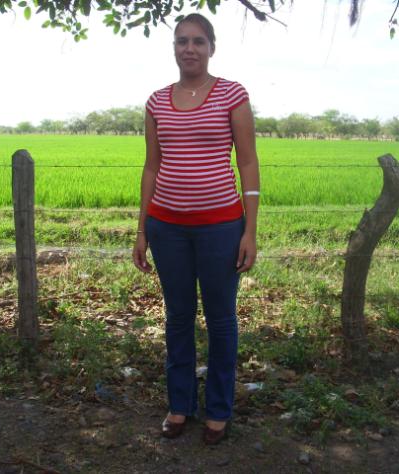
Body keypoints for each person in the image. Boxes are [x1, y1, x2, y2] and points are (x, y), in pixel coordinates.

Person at [132, 13, 260, 445]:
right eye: (182, 41)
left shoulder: (232, 94)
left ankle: (219, 410)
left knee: (221, 320)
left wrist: (250, 230)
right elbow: (152, 166)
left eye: (198, 41)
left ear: (211, 48)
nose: (190, 48)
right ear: (174, 48)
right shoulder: (156, 102)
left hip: (221, 228)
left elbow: (247, 163)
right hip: (166, 228)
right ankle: (179, 405)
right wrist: (142, 229)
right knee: (178, 318)